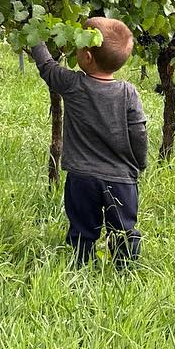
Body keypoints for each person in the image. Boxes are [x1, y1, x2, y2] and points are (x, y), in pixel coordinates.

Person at [30, 18, 148, 266]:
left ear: (87, 57)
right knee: (124, 230)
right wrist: (140, 163)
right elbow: (138, 132)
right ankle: (125, 271)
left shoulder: (73, 85)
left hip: (81, 178)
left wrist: (34, 34)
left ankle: (80, 267)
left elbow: (47, 66)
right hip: (121, 179)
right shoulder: (128, 92)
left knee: (82, 229)